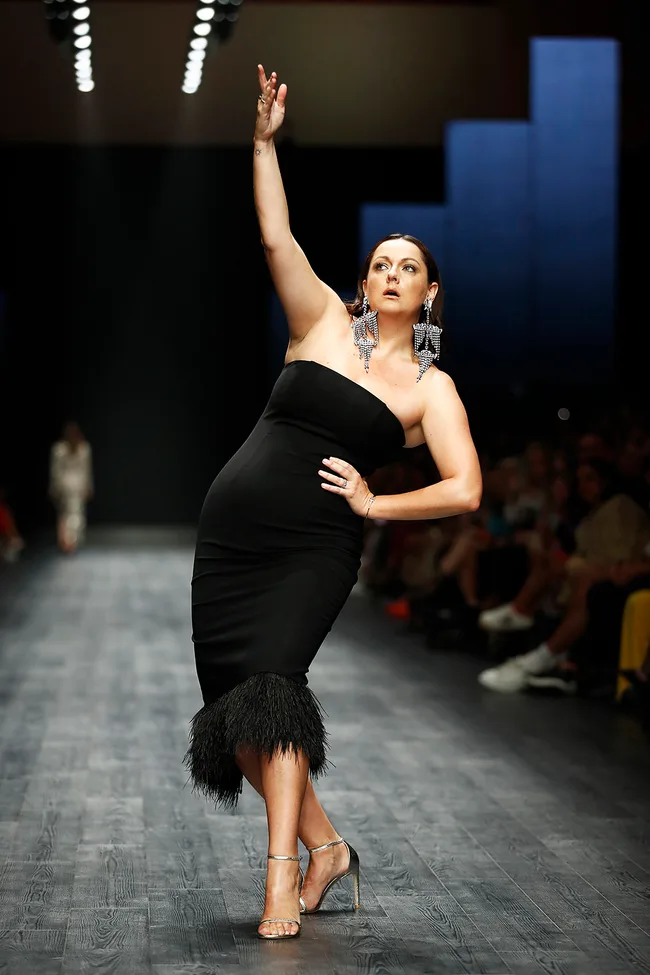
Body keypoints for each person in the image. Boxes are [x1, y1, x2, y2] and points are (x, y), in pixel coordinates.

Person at [184, 65, 482, 942]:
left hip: (314, 548)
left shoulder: (432, 388)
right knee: (236, 716)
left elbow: (465, 487)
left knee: (273, 692)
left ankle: (280, 875)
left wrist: (374, 506)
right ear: (365, 280)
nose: (392, 273)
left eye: (409, 267)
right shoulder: (318, 322)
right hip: (233, 533)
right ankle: (327, 849)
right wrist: (264, 142)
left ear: (429, 296)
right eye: (381, 262)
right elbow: (276, 235)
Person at [477, 459, 650, 693]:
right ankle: (524, 616)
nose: (583, 486)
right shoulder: (592, 513)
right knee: (555, 564)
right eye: (579, 480)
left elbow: (616, 557)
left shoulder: (620, 507)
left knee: (581, 578)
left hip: (620, 572)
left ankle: (544, 654)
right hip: (608, 568)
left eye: (589, 479)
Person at [49, 421, 94, 554]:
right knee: (65, 515)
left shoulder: (84, 449)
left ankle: (70, 542)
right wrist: (54, 488)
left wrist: (88, 487)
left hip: (77, 487)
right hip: (64, 486)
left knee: (76, 514)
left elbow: (86, 470)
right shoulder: (59, 450)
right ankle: (66, 542)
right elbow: (55, 471)